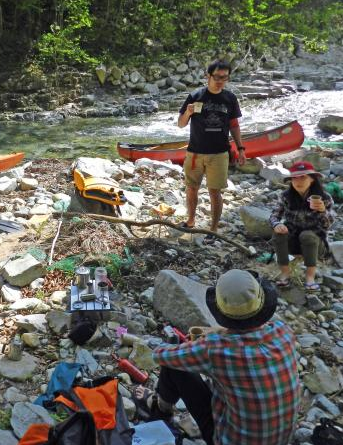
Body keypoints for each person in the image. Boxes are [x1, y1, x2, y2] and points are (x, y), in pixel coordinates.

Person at [133, 269, 300, 445]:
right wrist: (217, 334)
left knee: (175, 366)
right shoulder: (283, 331)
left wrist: (190, 346)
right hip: (281, 440)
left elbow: (162, 356)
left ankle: (160, 409)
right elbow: (250, 338)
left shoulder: (216, 349)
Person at [178, 60, 246, 244]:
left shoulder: (230, 98)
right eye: (217, 77)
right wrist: (188, 113)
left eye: (224, 78)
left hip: (219, 154)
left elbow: (234, 125)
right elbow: (181, 124)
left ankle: (213, 229)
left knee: (215, 192)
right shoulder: (195, 95)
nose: (220, 81)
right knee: (192, 188)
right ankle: (191, 221)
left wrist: (240, 148)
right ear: (208, 76)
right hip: (195, 152)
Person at [269, 161, 335, 291]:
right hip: (292, 242)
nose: (298, 181)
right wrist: (276, 224)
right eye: (294, 178)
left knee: (308, 235)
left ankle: (310, 277)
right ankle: (285, 273)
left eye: (303, 177)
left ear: (312, 179)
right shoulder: (285, 196)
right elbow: (274, 216)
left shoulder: (324, 198)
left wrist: (323, 211)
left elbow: (329, 224)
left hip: (315, 244)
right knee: (278, 233)